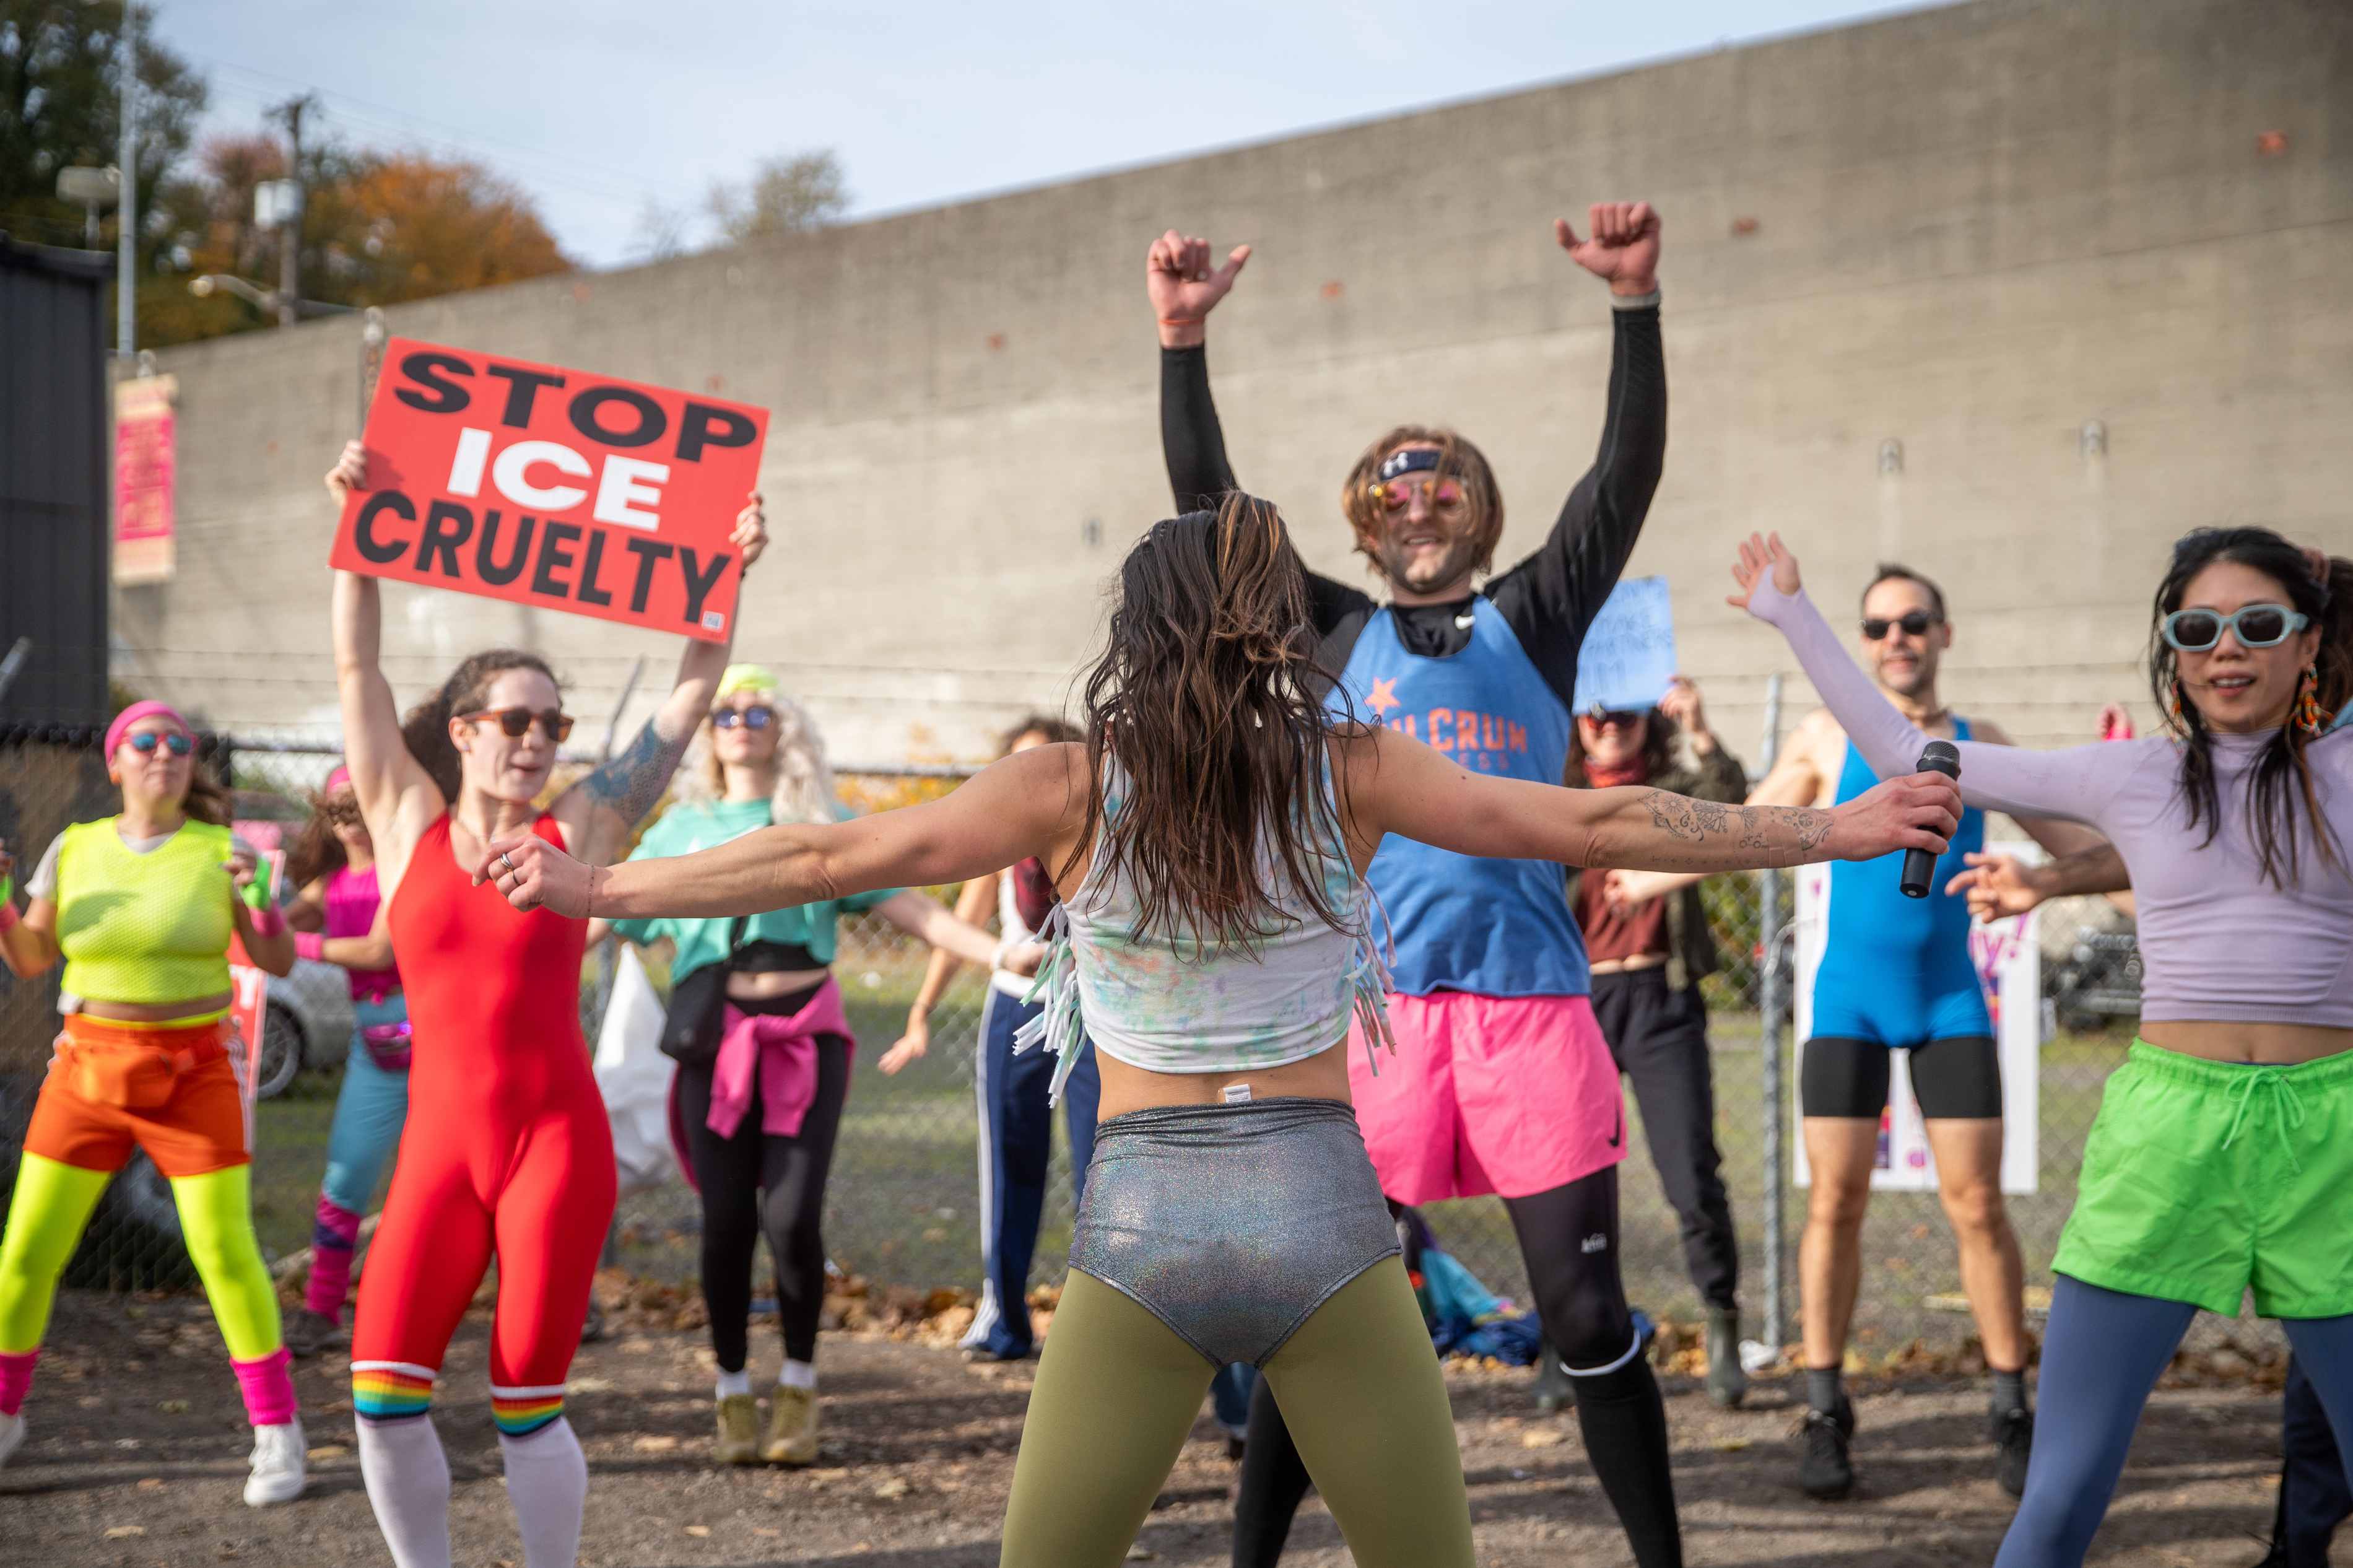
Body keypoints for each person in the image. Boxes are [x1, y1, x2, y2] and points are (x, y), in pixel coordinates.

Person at [477, 494, 1958, 1568]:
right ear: (1263, 626)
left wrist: (600, 878)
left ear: (1138, 627)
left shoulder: (1062, 782)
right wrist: (1831, 823)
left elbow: (817, 858)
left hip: (1145, 1231)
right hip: (1322, 1223)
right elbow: (1587, 816)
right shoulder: (1352, 766)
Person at [1154, 204, 1693, 1567]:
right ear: (1363, 516)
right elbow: (1212, 514)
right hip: (1374, 1022)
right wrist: (1181, 342)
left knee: (1582, 1324)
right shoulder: (1330, 632)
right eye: (1394, 490)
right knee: (1321, 1313)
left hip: (1529, 1015)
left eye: (1443, 485)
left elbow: (1620, 477)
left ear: (1477, 510)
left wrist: (1632, 305)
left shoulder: (1542, 611)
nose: (1418, 502)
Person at [1728, 525, 2353, 1567]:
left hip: (2330, 1134)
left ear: (2307, 641)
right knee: (2060, 1495)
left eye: (2260, 623)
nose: (2228, 649)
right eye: (2199, 628)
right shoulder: (2136, 777)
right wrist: (1793, 610)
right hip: (2170, 1134)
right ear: (2173, 650)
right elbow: (1900, 753)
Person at [323, 437, 766, 1568]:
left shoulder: (587, 830)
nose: (536, 741)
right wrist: (356, 538)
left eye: (554, 724)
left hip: (553, 1145)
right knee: (382, 1396)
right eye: (515, 720)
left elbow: (686, 701)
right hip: (438, 1147)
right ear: (464, 731)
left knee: (527, 1400)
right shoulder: (405, 817)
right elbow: (357, 676)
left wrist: (726, 577)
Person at [1725, 558, 2109, 1499]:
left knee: (1977, 1207)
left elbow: (2082, 851)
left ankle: (2011, 1408)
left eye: (1913, 623)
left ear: (1944, 635)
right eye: (1878, 627)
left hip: (1947, 1001)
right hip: (1847, 1001)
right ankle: (1825, 1410)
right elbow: (1734, 826)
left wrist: (2146, 887)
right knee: (1834, 1207)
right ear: (1862, 644)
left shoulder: (1983, 744)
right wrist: (1641, 873)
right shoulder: (1824, 735)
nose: (1896, 639)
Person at [600, 666, 999, 1466]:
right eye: (725, 712)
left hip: (805, 1042)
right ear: (708, 733)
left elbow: (913, 907)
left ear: (783, 727)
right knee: (724, 1225)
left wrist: (1004, 955)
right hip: (713, 1046)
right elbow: (605, 908)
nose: (740, 723)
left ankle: (799, 1385)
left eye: (757, 710)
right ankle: (730, 1391)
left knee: (789, 1222)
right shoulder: (681, 830)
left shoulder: (822, 820)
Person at [0, 703, 304, 1503]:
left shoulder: (224, 852)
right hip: (86, 1069)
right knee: (27, 1251)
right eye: (145, 740)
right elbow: (32, 958)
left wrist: (269, 902)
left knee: (225, 1251)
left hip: (194, 1072)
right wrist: (1, 898)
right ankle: (4, 1416)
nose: (164, 752)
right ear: (115, 763)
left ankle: (278, 1434)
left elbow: (276, 958)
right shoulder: (75, 849)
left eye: (179, 743)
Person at [883, 714, 1103, 1365]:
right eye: (1015, 765)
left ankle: (1100, 1329)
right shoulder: (1001, 843)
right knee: (1011, 1166)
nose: (1027, 780)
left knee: (1104, 1167)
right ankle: (1004, 1318)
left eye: (1044, 763)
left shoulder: (1104, 832)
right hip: (1016, 1012)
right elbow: (961, 926)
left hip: (1098, 1016)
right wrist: (921, 1009)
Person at [1562, 674, 1751, 1408]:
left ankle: (1722, 1323)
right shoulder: (1556, 792)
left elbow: (1731, 799)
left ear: (1648, 716)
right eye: (1594, 710)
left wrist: (1700, 725)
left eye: (1624, 709)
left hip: (1660, 998)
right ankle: (1566, 1338)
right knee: (1566, 1185)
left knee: (1690, 1176)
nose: (1609, 722)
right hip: (1574, 1005)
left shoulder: (1670, 789)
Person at [278, 765, 406, 1357]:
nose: (351, 817)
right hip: (375, 1048)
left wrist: (293, 945)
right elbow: (269, 934)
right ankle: (322, 1309)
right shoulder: (328, 886)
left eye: (362, 802)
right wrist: (243, 904)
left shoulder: (408, 866)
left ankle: (563, 1301)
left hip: (443, 1044)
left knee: (475, 1181)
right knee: (346, 1176)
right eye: (338, 806)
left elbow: (379, 948)